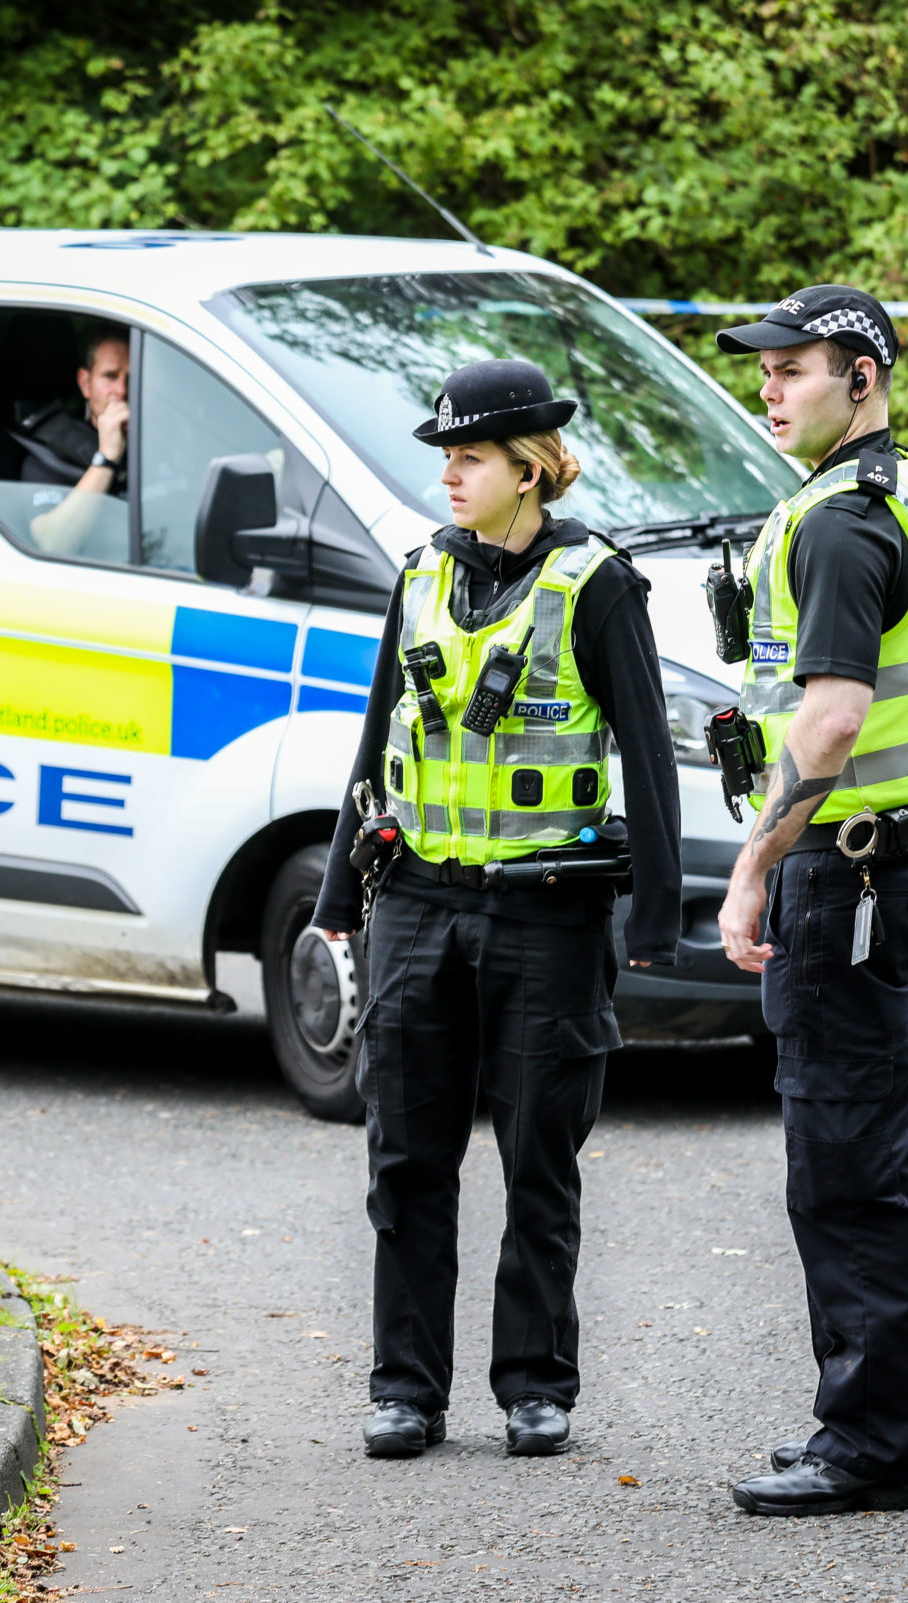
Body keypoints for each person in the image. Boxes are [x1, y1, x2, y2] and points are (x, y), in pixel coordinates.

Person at [311, 358, 682, 1463]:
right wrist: (339, 892)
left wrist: (654, 919)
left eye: (469, 458)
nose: (451, 476)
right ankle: (405, 1392)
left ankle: (533, 1385)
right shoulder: (419, 572)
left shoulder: (598, 584)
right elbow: (378, 738)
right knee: (405, 1162)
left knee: (538, 1162)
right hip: (417, 903)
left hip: (550, 912)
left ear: (531, 470)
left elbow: (652, 762)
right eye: (447, 457)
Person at [707, 286, 908, 1516]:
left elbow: (833, 717)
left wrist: (750, 866)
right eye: (767, 370)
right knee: (864, 1154)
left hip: (842, 881)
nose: (770, 390)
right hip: (892, 876)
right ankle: (880, 1427)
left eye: (792, 369)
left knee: (845, 1165)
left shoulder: (840, 524)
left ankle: (874, 1450)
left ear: (861, 376)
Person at [21, 327, 129, 554]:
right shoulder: (52, 452)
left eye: (133, 377)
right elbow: (53, 543)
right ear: (85, 383)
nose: (122, 390)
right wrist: (107, 457)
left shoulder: (171, 440)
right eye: (110, 376)